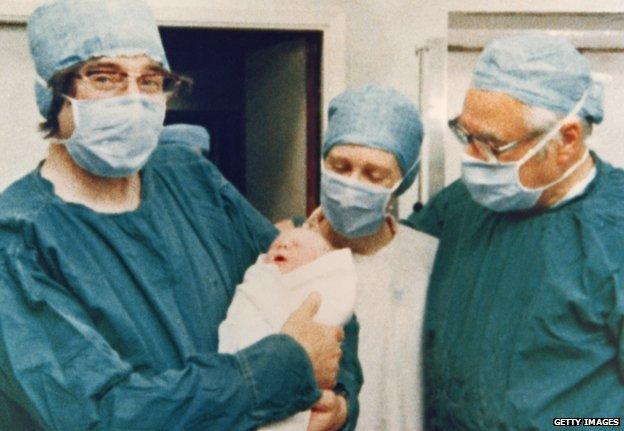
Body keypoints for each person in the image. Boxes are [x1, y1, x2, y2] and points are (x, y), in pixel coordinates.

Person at [0, 1, 360, 430]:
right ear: (52, 93)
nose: (134, 100)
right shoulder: (19, 242)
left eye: (151, 80)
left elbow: (316, 287)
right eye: (104, 77)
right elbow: (103, 415)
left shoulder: (193, 182)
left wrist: (337, 404)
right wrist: (287, 369)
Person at [405, 33, 624, 429]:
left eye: (491, 144)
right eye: (466, 135)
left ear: (567, 140)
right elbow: (392, 251)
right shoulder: (463, 204)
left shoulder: (615, 233)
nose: (471, 159)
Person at [298, 84, 438, 430]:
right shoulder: (287, 257)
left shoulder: (430, 262)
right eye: (340, 166)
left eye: (375, 175)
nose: (352, 184)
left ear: (401, 183)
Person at [219, 227, 357, 431]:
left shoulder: (322, 292)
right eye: (276, 245)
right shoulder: (260, 282)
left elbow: (335, 351)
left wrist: (342, 407)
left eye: (296, 245)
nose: (283, 245)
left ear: (319, 264)